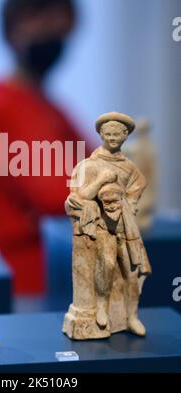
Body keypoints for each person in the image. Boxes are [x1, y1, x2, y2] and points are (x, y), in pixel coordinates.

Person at [0, 0, 95, 297]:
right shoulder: (6, 107)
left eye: (60, 20)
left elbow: (106, 165)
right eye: (39, 19)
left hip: (57, 275)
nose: (52, 30)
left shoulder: (47, 105)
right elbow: (62, 195)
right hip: (27, 283)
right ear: (12, 29)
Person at [64, 112, 151, 339]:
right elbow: (78, 196)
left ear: (125, 136)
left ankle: (131, 316)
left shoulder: (128, 166)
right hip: (101, 227)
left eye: (117, 134)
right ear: (101, 134)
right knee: (107, 264)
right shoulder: (89, 165)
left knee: (132, 272)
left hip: (126, 226)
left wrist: (131, 203)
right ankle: (101, 306)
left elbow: (138, 184)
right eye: (108, 134)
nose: (113, 138)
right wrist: (102, 180)